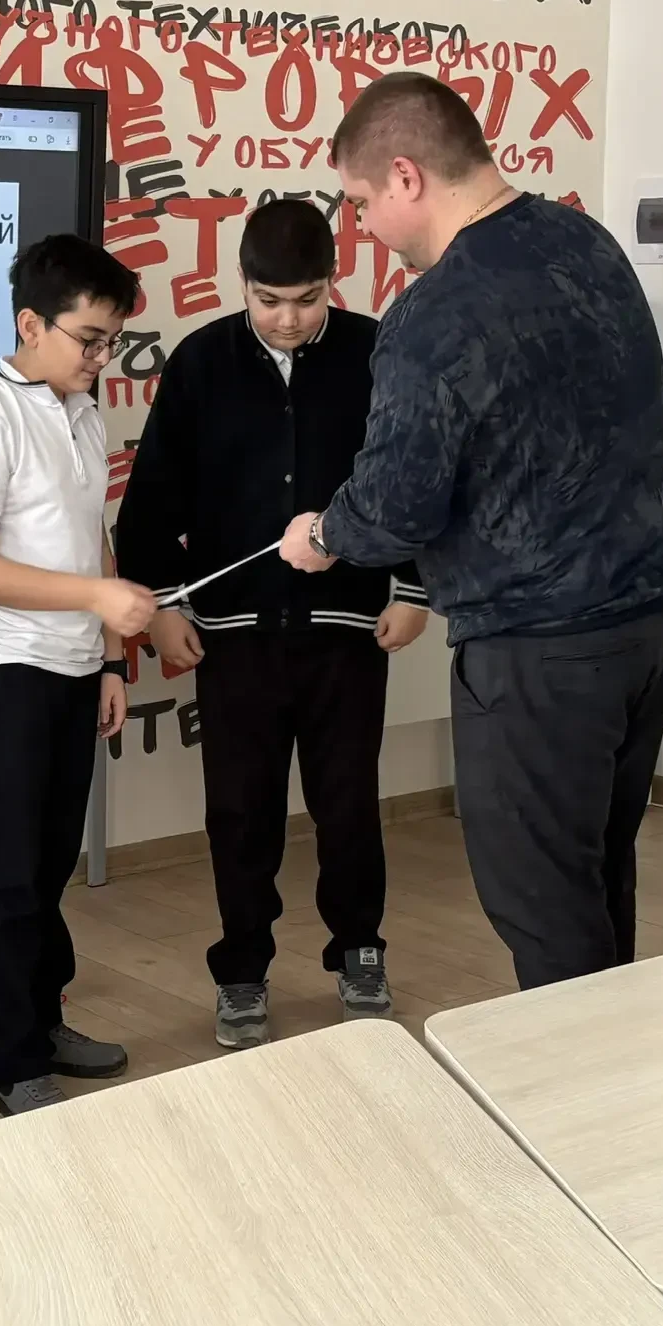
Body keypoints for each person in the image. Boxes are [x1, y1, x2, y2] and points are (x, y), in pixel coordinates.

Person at [281, 72, 663, 992]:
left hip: (541, 646)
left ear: (406, 176)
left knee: (541, 900)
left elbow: (397, 505)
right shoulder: (585, 241)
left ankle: (574, 1081)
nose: (362, 227)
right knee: (595, 868)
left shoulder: (432, 313)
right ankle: (617, 1060)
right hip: (654, 617)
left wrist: (323, 534)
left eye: (360, 203)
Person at [115, 199, 429, 1049]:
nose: (287, 319)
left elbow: (417, 479)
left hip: (348, 631)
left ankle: (359, 950)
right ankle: (242, 970)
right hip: (233, 636)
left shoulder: (377, 352)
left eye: (306, 299)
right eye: (268, 300)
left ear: (335, 279)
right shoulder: (200, 361)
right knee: (240, 813)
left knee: (349, 806)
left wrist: (414, 589)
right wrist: (166, 606)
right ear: (241, 285)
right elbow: (152, 500)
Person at [0, 234, 154, 1115]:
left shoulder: (83, 411)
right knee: (8, 870)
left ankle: (44, 1019)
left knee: (51, 861)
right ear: (31, 324)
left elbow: (91, 532)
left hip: (71, 665)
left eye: (112, 342)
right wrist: (98, 596)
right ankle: (13, 1063)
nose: (102, 357)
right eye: (90, 339)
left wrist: (108, 656)